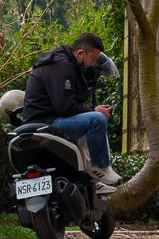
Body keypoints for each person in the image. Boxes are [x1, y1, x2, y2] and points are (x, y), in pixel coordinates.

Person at [22, 32, 121, 186]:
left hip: (44, 121)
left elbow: (65, 103)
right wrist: (93, 111)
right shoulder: (63, 66)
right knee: (97, 120)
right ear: (81, 54)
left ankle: (87, 178)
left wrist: (92, 108)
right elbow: (65, 108)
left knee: (93, 118)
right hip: (46, 125)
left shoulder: (61, 62)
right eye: (93, 59)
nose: (93, 64)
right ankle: (99, 167)